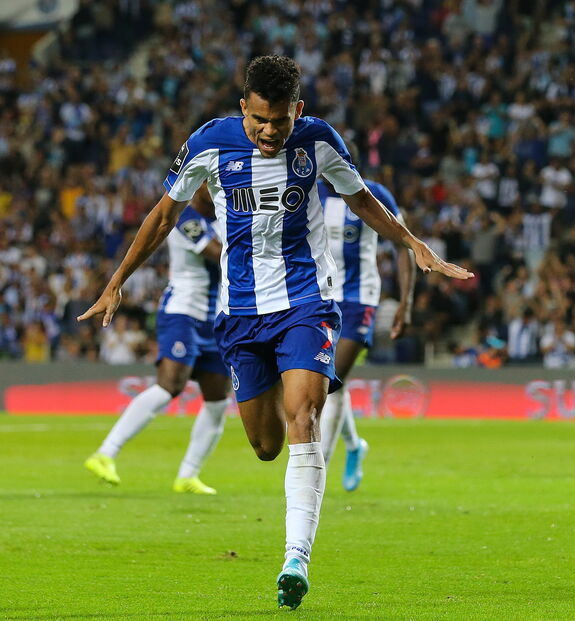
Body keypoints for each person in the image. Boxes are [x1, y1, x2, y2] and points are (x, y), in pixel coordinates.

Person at [78, 56, 471, 610]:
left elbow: (360, 199)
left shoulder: (318, 141)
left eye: (280, 122)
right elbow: (165, 215)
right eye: (259, 120)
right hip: (239, 314)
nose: (269, 131)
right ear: (244, 107)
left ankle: (295, 559)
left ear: (298, 112)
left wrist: (414, 244)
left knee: (304, 416)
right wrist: (116, 281)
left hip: (308, 302)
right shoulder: (209, 144)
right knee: (266, 446)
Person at [84, 186, 229, 494]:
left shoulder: (227, 215)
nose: (216, 187)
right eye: (209, 181)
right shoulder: (184, 216)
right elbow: (218, 254)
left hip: (217, 317)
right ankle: (105, 453)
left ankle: (188, 475)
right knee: (170, 385)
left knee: (218, 400)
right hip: (183, 312)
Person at [317, 176, 415, 491]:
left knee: (330, 382)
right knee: (332, 383)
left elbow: (404, 244)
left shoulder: (374, 193)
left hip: (361, 299)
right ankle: (355, 445)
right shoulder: (307, 188)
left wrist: (406, 302)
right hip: (319, 297)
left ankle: (318, 470)